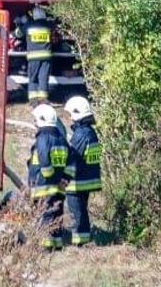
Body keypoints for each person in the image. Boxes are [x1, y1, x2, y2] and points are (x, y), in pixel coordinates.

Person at [27, 102, 71, 250]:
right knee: (57, 215)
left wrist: (48, 175)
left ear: (41, 119)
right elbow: (70, 161)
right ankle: (57, 244)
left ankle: (45, 247)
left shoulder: (43, 138)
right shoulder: (62, 139)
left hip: (44, 185)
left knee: (45, 215)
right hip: (58, 186)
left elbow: (44, 159)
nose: (35, 123)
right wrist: (65, 179)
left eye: (36, 120)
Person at [63, 95, 102, 246]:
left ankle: (80, 242)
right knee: (81, 211)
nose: (70, 118)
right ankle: (83, 239)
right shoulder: (89, 132)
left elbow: (72, 156)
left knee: (77, 213)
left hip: (77, 182)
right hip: (87, 179)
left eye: (71, 114)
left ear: (77, 114)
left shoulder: (81, 135)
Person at [21, 6, 57, 102]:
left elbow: (18, 33)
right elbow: (55, 31)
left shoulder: (29, 25)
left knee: (33, 78)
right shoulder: (49, 25)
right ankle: (43, 98)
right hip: (46, 56)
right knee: (43, 77)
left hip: (33, 57)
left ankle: (33, 100)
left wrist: (22, 22)